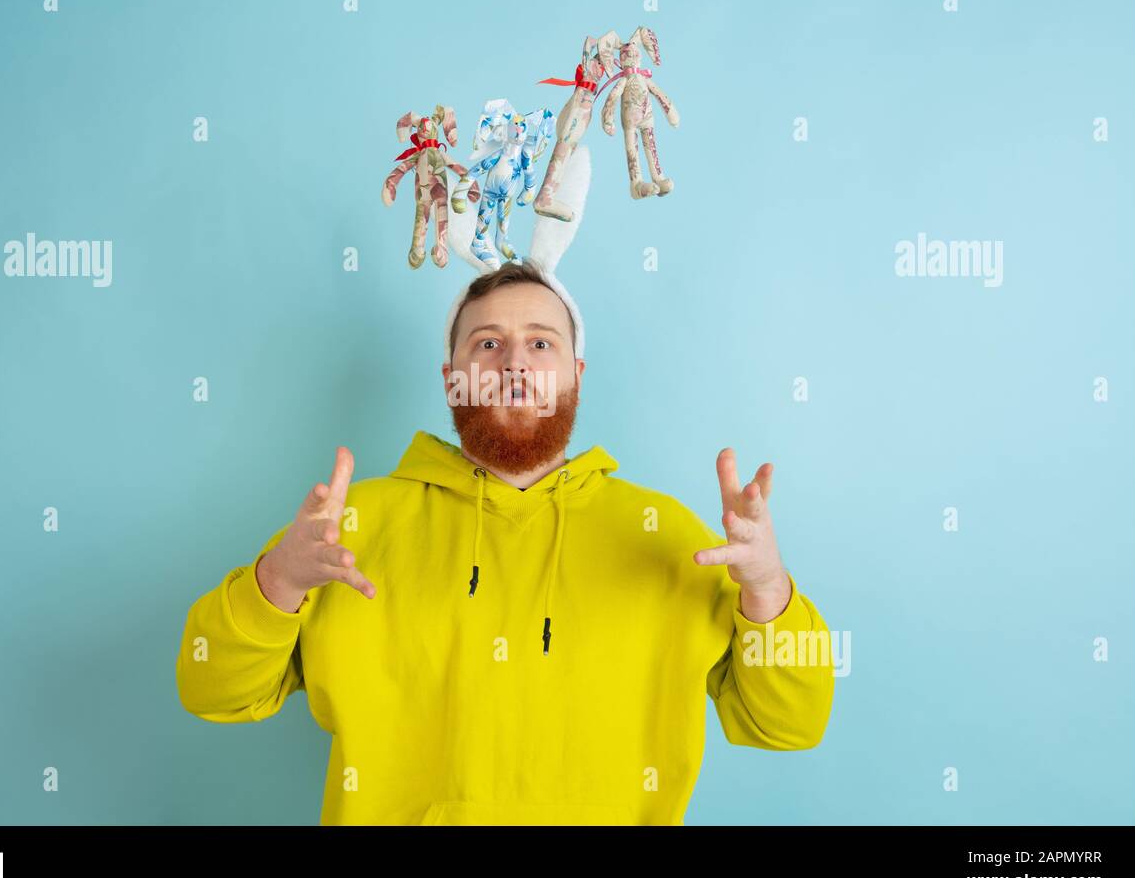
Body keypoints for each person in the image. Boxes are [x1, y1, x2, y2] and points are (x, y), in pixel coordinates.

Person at [175, 260, 834, 825]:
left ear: (576, 372)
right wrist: (279, 582)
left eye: (541, 344)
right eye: (487, 344)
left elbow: (791, 725)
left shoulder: (667, 537)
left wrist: (769, 590)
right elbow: (211, 690)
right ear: (450, 375)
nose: (515, 361)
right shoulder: (343, 528)